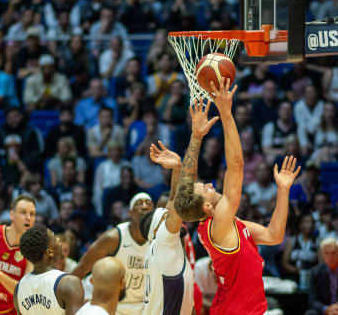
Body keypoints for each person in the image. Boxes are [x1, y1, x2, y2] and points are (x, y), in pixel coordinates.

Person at [176, 78, 300, 314]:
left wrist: (283, 191)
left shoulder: (226, 224)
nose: (211, 185)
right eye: (207, 190)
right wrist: (225, 112)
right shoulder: (219, 225)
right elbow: (236, 165)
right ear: (207, 209)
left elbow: (273, 236)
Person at [140, 97, 220, 315]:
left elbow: (177, 199)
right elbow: (181, 200)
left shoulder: (164, 248)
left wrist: (176, 169)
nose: (171, 214)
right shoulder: (164, 243)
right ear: (158, 229)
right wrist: (196, 136)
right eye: (165, 216)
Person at [72, 193, 154, 315]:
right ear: (129, 212)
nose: (144, 206)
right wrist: (66, 297)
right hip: (115, 307)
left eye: (148, 203)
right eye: (139, 203)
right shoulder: (114, 237)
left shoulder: (157, 237)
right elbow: (82, 267)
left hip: (145, 308)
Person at [14, 224, 84, 315]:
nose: (58, 239)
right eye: (54, 238)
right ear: (50, 252)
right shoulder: (70, 283)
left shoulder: (18, 289)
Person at [305, 238, 338, 315]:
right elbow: (312, 300)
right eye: (327, 253)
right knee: (310, 313)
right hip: (325, 309)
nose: (330, 256)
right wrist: (326, 309)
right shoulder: (315, 272)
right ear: (322, 254)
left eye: (333, 252)